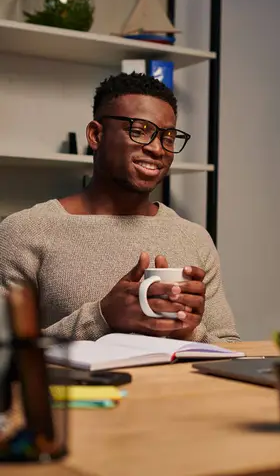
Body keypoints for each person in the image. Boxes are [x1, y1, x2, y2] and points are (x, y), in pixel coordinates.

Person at [0, 72, 239, 343]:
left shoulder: (195, 238)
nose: (158, 149)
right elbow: (6, 355)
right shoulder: (24, 232)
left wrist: (187, 330)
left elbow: (229, 346)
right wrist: (102, 317)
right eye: (139, 131)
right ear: (95, 135)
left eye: (169, 137)